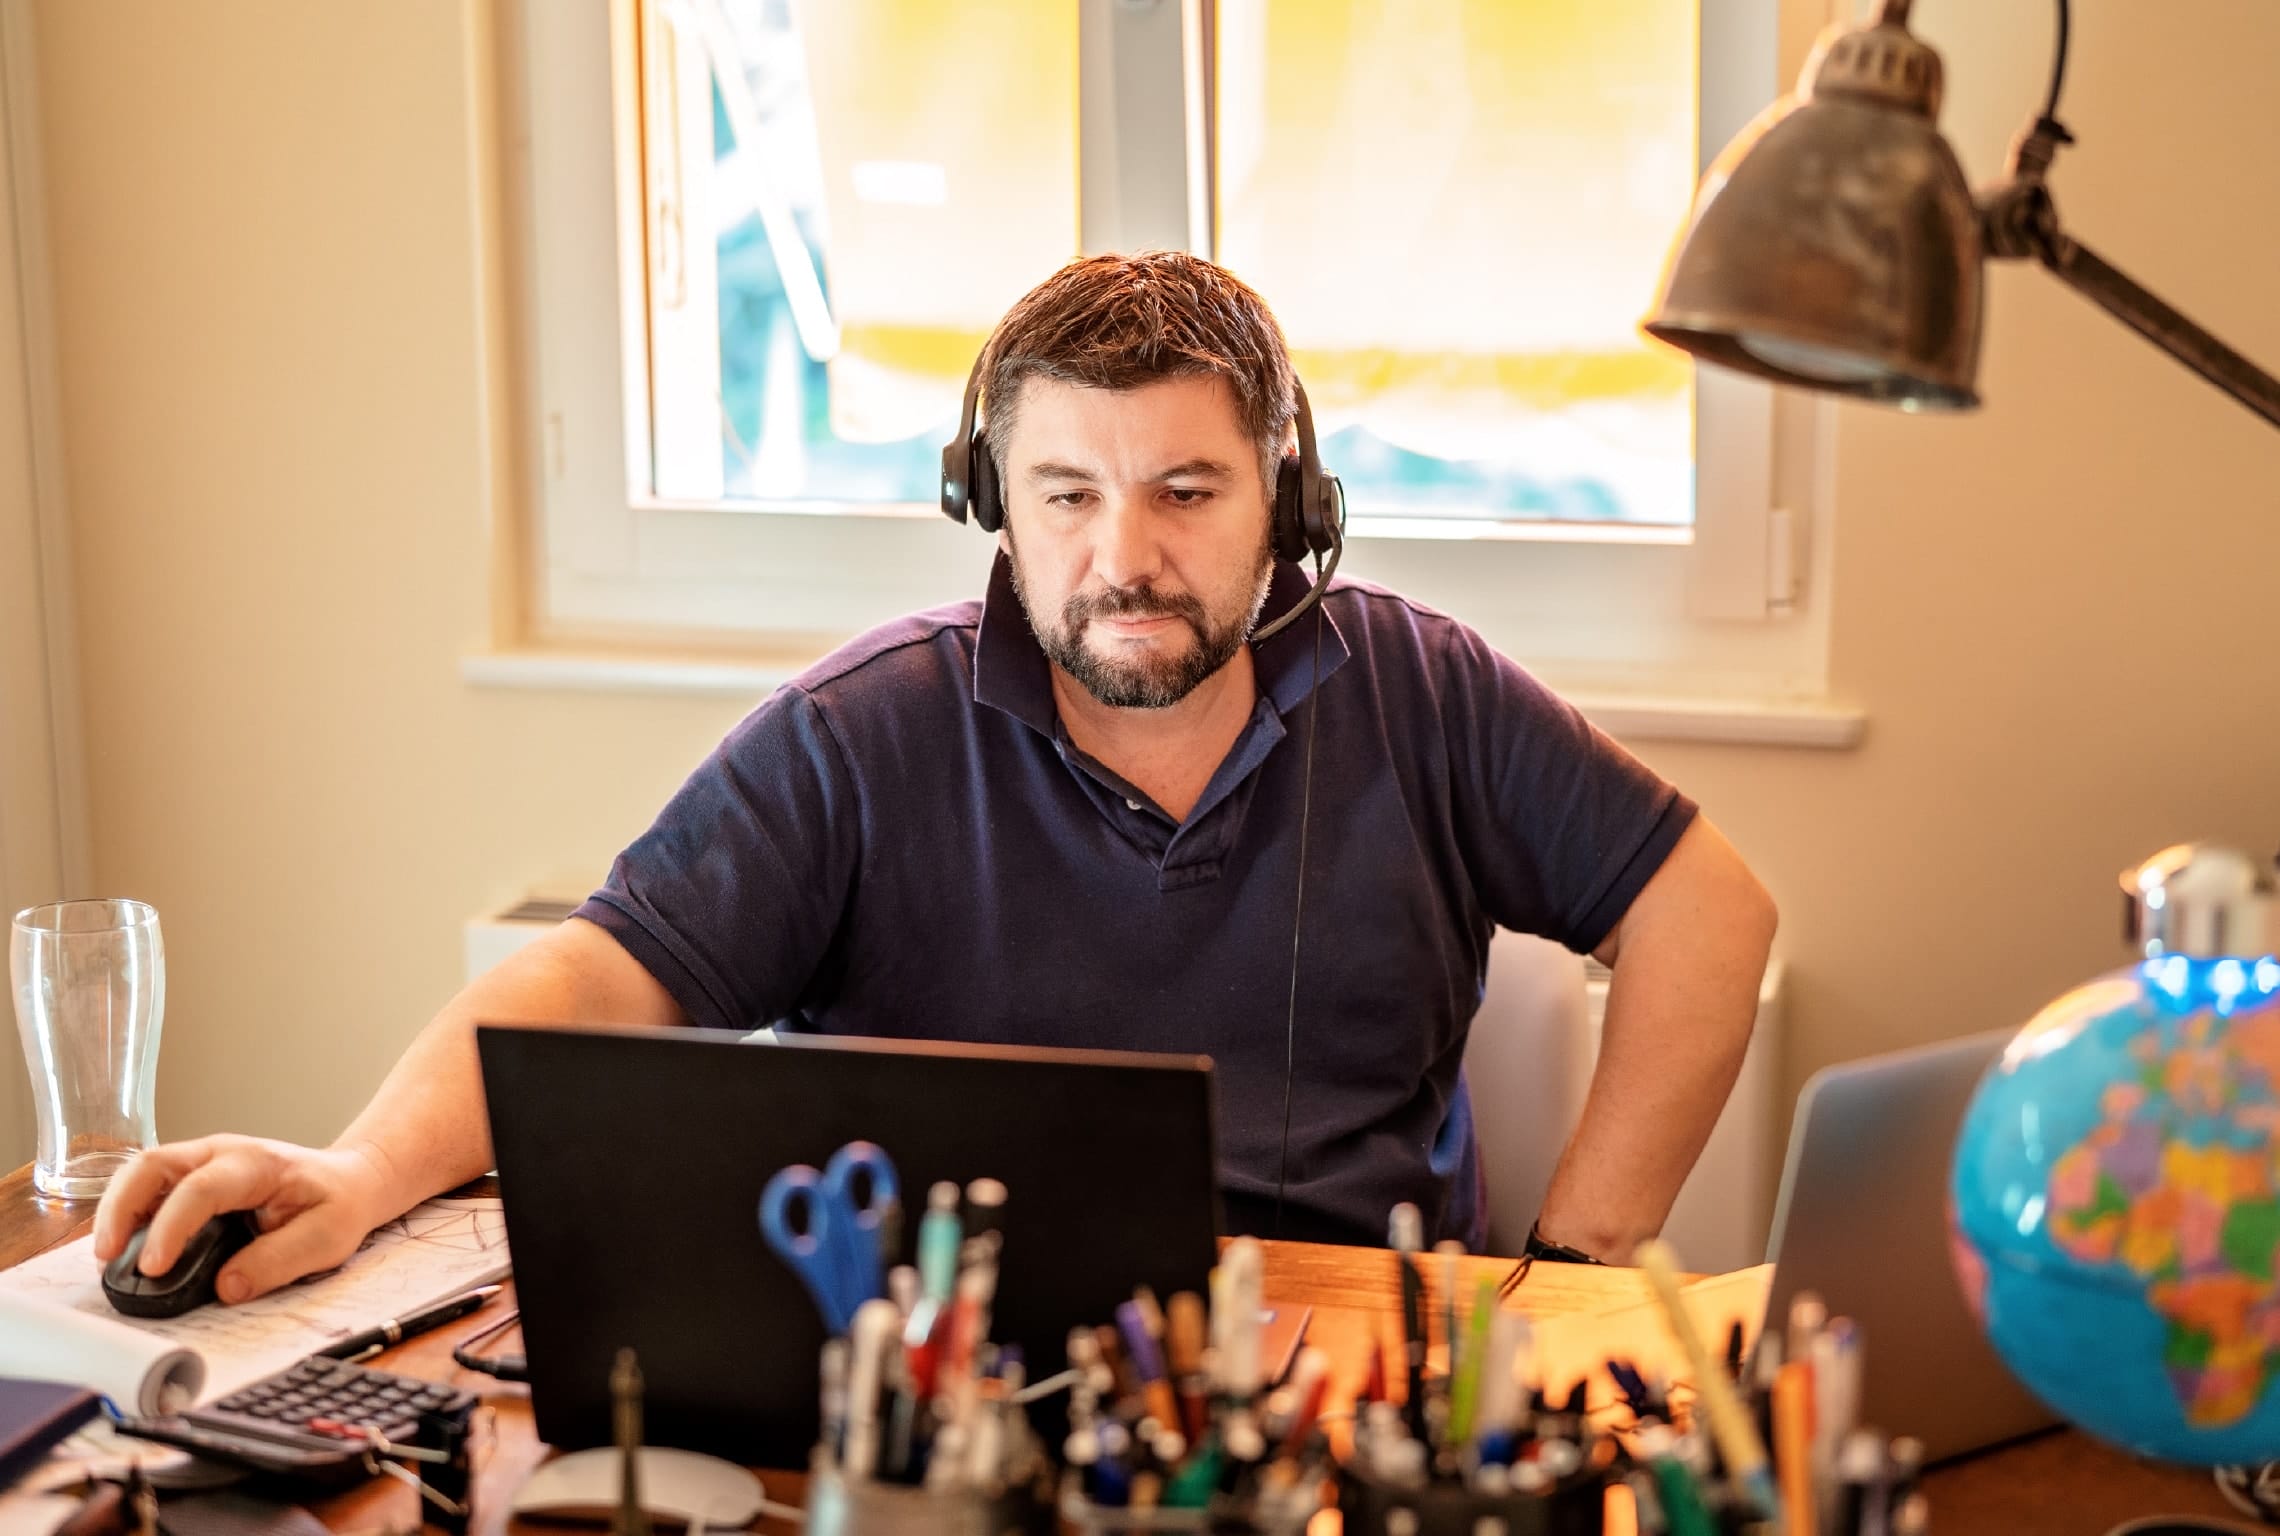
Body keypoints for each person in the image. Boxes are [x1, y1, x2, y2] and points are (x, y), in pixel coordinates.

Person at [94, 252, 1775, 1301]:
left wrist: (1572, 1267)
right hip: (938, 1356)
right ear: (993, 504)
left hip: (1336, 1345)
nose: (1126, 557)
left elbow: (1708, 910)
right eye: (1066, 496)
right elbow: (596, 978)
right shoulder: (860, 731)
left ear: (1290, 504)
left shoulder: (1424, 689)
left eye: (1187, 492)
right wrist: (359, 1171)